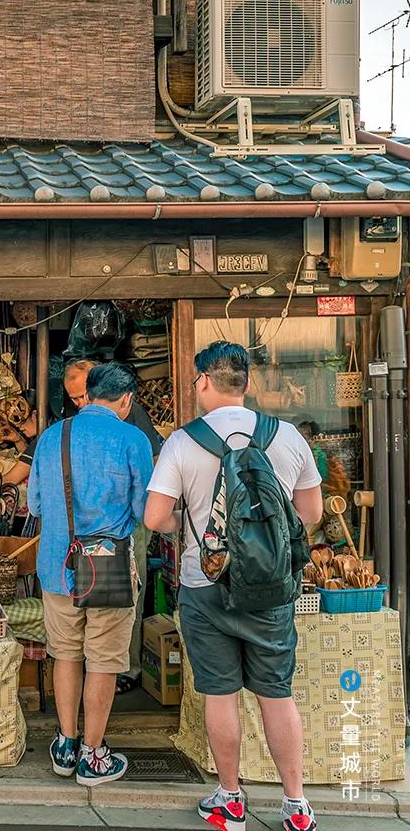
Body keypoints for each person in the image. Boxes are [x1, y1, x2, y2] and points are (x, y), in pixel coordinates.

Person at [144, 341, 323, 831]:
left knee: (221, 695)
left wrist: (195, 517)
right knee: (276, 694)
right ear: (246, 383)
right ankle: (296, 805)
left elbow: (155, 517)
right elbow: (310, 516)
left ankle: (230, 800)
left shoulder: (183, 442)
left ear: (203, 380)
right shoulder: (287, 438)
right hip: (272, 590)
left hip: (206, 587)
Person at [28, 363, 153, 786]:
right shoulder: (132, 438)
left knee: (65, 652)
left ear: (87, 394)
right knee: (103, 659)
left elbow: (36, 506)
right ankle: (92, 755)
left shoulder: (51, 438)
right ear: (125, 400)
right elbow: (143, 513)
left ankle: (65, 743)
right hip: (109, 570)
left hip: (58, 566)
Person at [64, 357, 160, 694]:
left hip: (122, 531)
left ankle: (127, 669)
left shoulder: (132, 423)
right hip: (108, 530)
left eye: (81, 397)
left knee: (124, 598)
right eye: (74, 399)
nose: (80, 404)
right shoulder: (74, 427)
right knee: (111, 603)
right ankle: (104, 678)